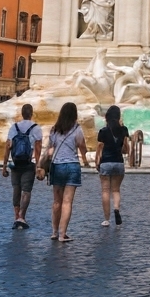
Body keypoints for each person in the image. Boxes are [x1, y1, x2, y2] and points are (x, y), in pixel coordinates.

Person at [46, 102, 87, 242]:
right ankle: (63, 234)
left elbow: (49, 149)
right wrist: (85, 159)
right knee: (67, 202)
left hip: (57, 166)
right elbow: (82, 146)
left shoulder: (55, 129)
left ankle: (54, 232)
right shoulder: (77, 129)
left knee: (56, 201)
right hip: (72, 166)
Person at [1, 104, 42, 229]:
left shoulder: (14, 127)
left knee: (16, 189)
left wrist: (4, 165)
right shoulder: (36, 128)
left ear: (22, 113)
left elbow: (8, 145)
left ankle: (16, 217)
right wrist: (38, 165)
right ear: (31, 113)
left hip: (15, 162)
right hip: (29, 163)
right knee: (26, 190)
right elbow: (38, 148)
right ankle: (22, 216)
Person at [97, 105, 130, 227]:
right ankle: (116, 208)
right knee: (116, 190)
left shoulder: (103, 131)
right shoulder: (124, 130)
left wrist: (97, 161)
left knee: (105, 190)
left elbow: (100, 147)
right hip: (119, 162)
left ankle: (106, 219)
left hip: (105, 162)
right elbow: (126, 149)